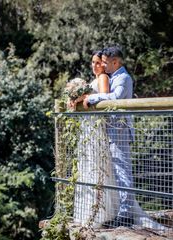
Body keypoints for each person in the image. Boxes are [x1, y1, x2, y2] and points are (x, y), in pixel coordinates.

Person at [82, 46, 164, 229]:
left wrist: (93, 98)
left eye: (104, 61)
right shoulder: (113, 77)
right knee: (118, 172)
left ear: (115, 62)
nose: (102, 65)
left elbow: (116, 97)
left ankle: (125, 215)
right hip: (113, 130)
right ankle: (122, 212)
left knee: (123, 172)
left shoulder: (124, 78)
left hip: (120, 130)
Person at [73, 50, 120, 226]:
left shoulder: (103, 78)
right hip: (88, 127)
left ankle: (100, 213)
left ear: (105, 64)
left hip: (96, 128)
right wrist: (77, 99)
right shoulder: (95, 79)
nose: (95, 66)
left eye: (98, 63)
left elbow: (102, 102)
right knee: (88, 165)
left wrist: (86, 97)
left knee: (96, 165)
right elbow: (90, 98)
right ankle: (90, 210)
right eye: (92, 63)